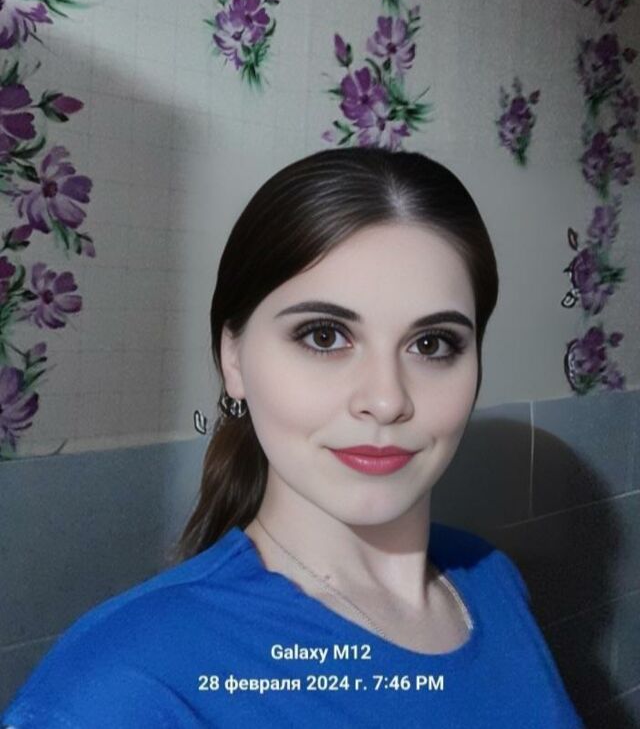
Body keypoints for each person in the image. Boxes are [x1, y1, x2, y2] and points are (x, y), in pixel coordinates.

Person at [1, 147, 584, 728]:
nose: (386, 400)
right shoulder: (119, 692)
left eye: (431, 344)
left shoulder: (491, 580)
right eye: (324, 336)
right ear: (233, 359)